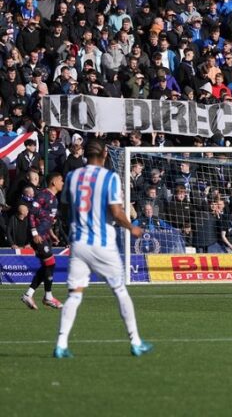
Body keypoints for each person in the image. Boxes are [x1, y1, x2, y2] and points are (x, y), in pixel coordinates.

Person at [53, 140, 152, 358]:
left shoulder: (72, 177)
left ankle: (61, 344)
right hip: (102, 243)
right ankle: (135, 341)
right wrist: (132, 228)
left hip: (78, 243)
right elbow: (116, 212)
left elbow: (67, 207)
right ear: (105, 154)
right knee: (119, 290)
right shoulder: (110, 177)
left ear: (85, 154)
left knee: (75, 294)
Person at [20, 173, 65, 309]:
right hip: (37, 235)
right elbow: (32, 213)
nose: (63, 182)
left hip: (44, 235)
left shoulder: (54, 199)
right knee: (50, 263)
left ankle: (29, 294)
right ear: (53, 181)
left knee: (47, 265)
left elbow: (47, 220)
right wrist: (34, 232)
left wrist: (51, 234)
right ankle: (48, 297)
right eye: (61, 180)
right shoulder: (43, 195)